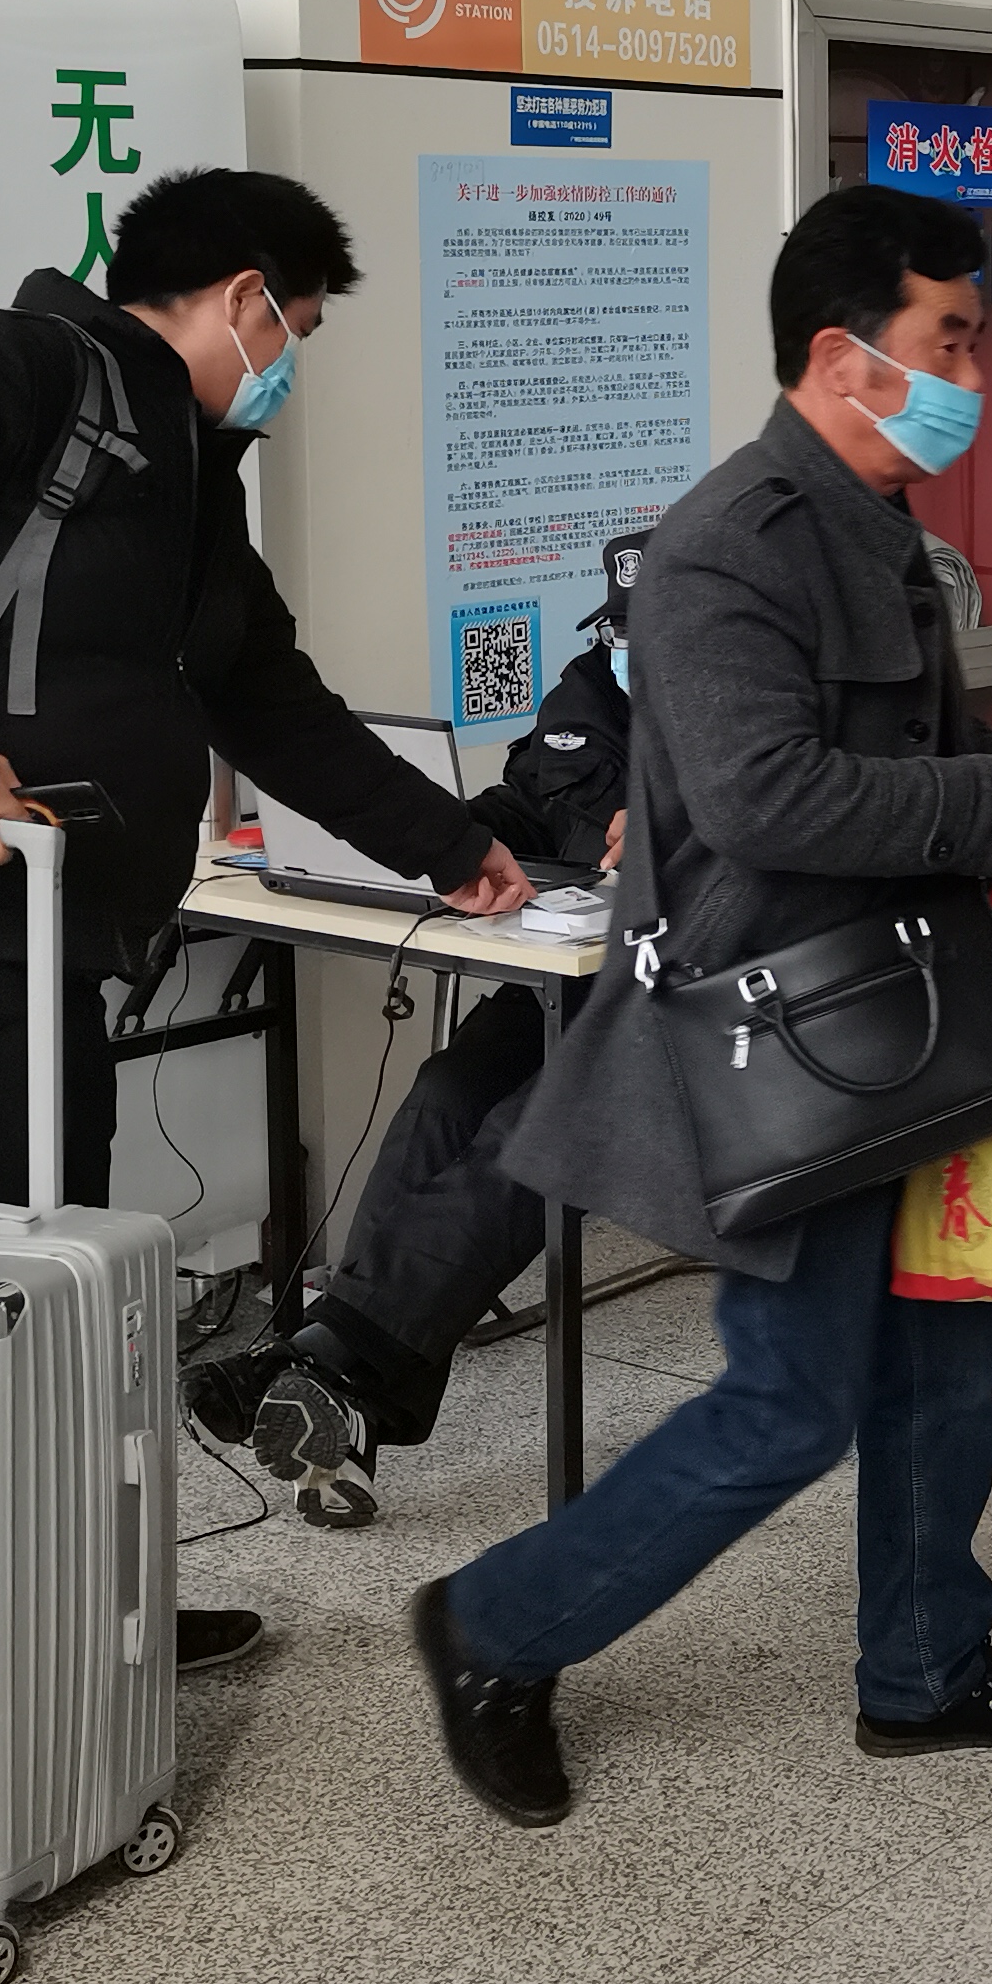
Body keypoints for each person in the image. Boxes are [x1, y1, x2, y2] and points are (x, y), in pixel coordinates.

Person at [0, 167, 529, 1673]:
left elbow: (267, 698)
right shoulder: (13, 371)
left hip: (52, 947)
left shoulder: (186, 472)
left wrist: (450, 846)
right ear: (244, 300)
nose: (290, 365)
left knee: (53, 1283)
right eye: (296, 330)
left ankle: (73, 1637)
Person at [407, 184, 992, 1828]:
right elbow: (761, 796)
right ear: (845, 356)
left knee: (946, 1352)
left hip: (908, 1009)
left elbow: (912, 752)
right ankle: (497, 1626)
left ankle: (925, 1668)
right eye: (951, 342)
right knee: (788, 1401)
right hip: (787, 1029)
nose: (973, 376)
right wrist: (989, 806)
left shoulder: (880, 527)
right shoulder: (731, 542)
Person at [185, 533, 643, 1525]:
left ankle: (324, 1359)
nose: (630, 659)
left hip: (693, 1005)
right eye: (619, 639)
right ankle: (342, 1383)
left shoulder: (757, 708)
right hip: (574, 986)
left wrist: (684, 823)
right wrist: (441, 839)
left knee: (532, 1128)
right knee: (445, 1093)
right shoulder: (587, 700)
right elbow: (525, 806)